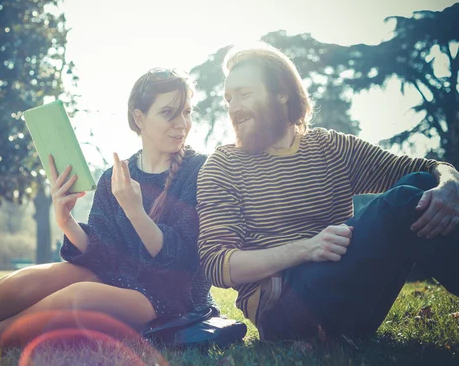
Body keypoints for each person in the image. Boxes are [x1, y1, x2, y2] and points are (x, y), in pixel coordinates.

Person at [0, 68, 216, 344]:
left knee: (79, 296)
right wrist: (66, 219)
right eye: (169, 113)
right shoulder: (112, 177)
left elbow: (185, 258)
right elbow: (103, 253)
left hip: (172, 298)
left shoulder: (200, 171)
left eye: (186, 112)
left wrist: (136, 212)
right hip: (120, 279)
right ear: (139, 118)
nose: (181, 123)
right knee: (23, 282)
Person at [196, 42, 459, 341]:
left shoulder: (330, 147)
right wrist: (308, 248)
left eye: (245, 94)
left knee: (423, 186)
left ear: (281, 92)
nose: (233, 107)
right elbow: (216, 263)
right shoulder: (223, 164)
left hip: (347, 296)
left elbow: (428, 168)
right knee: (406, 199)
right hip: (282, 308)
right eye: (228, 98)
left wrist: (451, 183)